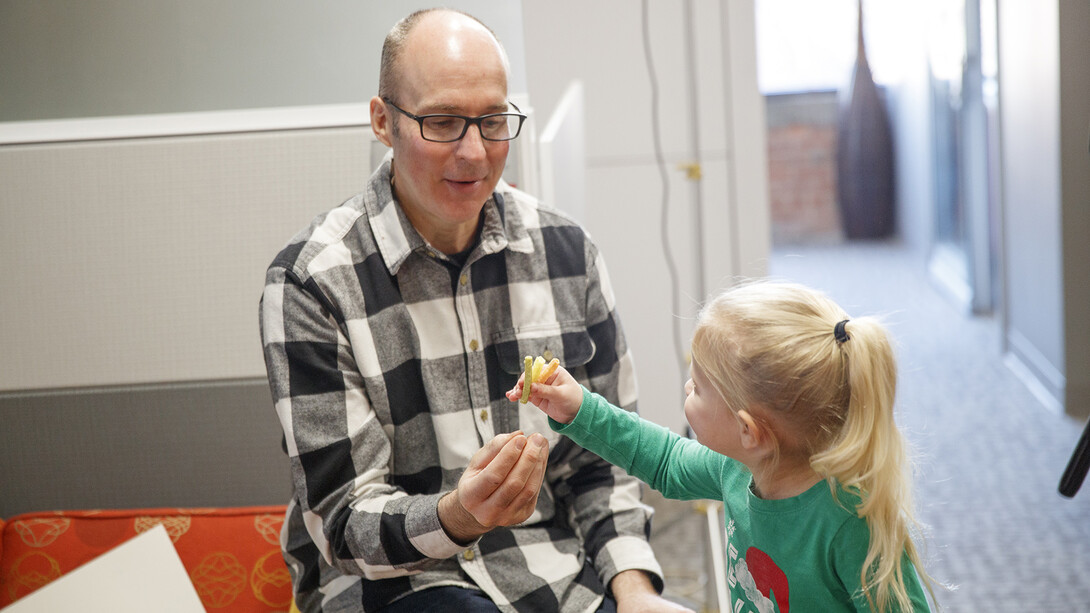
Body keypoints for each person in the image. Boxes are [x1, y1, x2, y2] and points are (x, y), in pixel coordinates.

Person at [259, 8, 690, 613]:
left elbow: (602, 470)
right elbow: (343, 521)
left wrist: (635, 591)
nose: (474, 152)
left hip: (550, 566)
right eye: (441, 122)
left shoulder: (565, 254)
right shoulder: (312, 284)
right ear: (383, 121)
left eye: (492, 121)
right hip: (394, 582)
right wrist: (458, 515)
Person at [511, 281, 939, 612]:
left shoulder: (850, 522)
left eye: (697, 388)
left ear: (748, 431)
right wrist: (579, 409)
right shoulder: (738, 468)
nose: (686, 388)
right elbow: (663, 459)